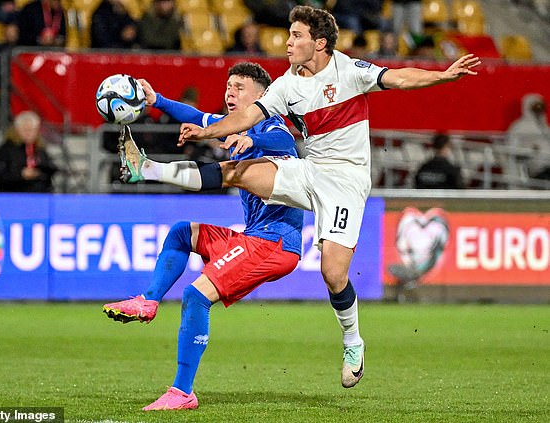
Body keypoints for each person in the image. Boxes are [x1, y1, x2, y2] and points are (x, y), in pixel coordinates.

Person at [136, 4, 478, 392]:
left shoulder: (348, 70)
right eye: (288, 34)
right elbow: (247, 117)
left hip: (345, 182)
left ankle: (352, 341)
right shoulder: (286, 84)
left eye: (296, 35)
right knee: (242, 172)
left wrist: (443, 75)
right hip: (311, 169)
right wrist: (203, 133)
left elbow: (398, 77)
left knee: (333, 273)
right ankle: (152, 170)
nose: (287, 42)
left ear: (319, 43)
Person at [102, 62, 304, 410]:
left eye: (239, 87)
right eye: (228, 86)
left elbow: (279, 139)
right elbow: (196, 114)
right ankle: (149, 301)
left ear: (262, 97)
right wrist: (156, 99)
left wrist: (251, 137)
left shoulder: (274, 128)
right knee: (182, 233)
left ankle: (182, 392)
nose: (230, 92)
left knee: (196, 296)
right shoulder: (231, 126)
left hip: (275, 242)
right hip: (255, 236)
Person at [0, 111, 58, 192]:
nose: (29, 133)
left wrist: (40, 172)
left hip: (40, 195)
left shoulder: (40, 148)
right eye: (25, 130)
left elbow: (48, 168)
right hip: (15, 195)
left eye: (32, 130)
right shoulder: (6, 149)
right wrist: (21, 174)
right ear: (17, 130)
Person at [505, 93, 550, 186]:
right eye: (535, 108)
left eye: (541, 107)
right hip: (536, 168)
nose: (538, 111)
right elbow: (511, 148)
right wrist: (530, 150)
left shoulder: (546, 128)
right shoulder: (519, 126)